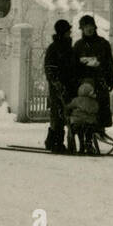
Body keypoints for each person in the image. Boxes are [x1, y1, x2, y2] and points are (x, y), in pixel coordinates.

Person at [72, 15, 113, 136]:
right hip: (84, 83)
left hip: (100, 80)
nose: (89, 29)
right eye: (86, 26)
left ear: (95, 27)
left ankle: (100, 128)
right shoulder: (78, 45)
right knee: (86, 107)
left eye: (91, 26)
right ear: (82, 29)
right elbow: (74, 66)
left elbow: (109, 63)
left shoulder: (103, 44)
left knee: (101, 105)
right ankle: (85, 130)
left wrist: (111, 80)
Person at [43, 19, 76, 153]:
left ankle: (51, 141)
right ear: (62, 32)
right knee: (58, 115)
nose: (70, 33)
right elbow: (49, 68)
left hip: (69, 86)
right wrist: (55, 82)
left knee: (64, 114)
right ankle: (56, 143)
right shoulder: (54, 48)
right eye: (68, 31)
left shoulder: (69, 48)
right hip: (57, 87)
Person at [65, 80, 101, 155]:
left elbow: (69, 107)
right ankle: (88, 143)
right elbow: (96, 110)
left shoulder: (77, 100)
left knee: (78, 131)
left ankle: (77, 146)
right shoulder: (94, 102)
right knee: (88, 133)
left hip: (77, 122)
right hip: (90, 123)